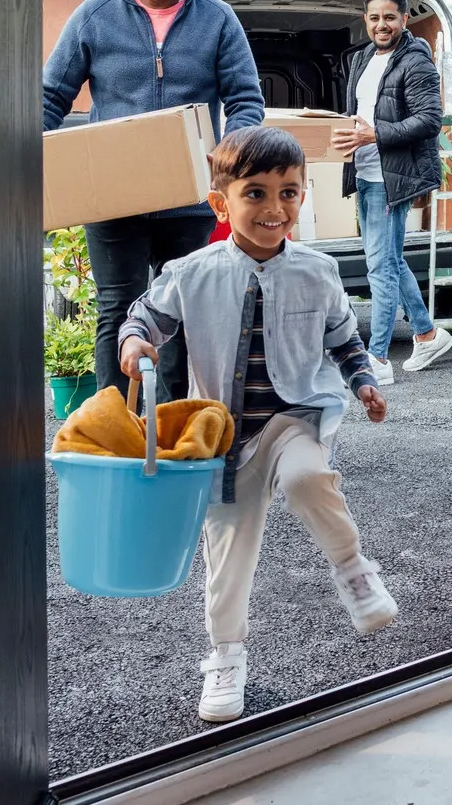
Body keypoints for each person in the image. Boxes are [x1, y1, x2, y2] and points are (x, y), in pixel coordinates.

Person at [118, 125, 396, 724]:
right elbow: (146, 315)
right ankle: (225, 657)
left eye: (289, 192)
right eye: (256, 193)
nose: (275, 208)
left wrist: (363, 382)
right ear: (221, 204)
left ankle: (353, 570)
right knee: (228, 558)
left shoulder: (318, 271)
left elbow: (344, 340)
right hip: (222, 440)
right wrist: (135, 341)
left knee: (307, 479)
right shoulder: (191, 271)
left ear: (303, 196)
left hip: (294, 419)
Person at [41, 0, 265, 398]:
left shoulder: (217, 20)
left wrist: (229, 155)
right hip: (112, 199)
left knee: (178, 313)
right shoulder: (94, 17)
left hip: (189, 200)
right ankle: (114, 426)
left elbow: (246, 100)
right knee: (116, 312)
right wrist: (28, 161)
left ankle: (171, 427)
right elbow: (50, 97)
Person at [334, 0, 449, 380]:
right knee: (389, 260)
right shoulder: (363, 58)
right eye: (374, 18)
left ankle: (378, 359)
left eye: (389, 17)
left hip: (393, 176)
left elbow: (429, 120)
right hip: (365, 172)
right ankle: (427, 334)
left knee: (380, 268)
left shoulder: (416, 61)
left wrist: (373, 135)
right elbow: (363, 112)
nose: (381, 25)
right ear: (365, 21)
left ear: (404, 19)